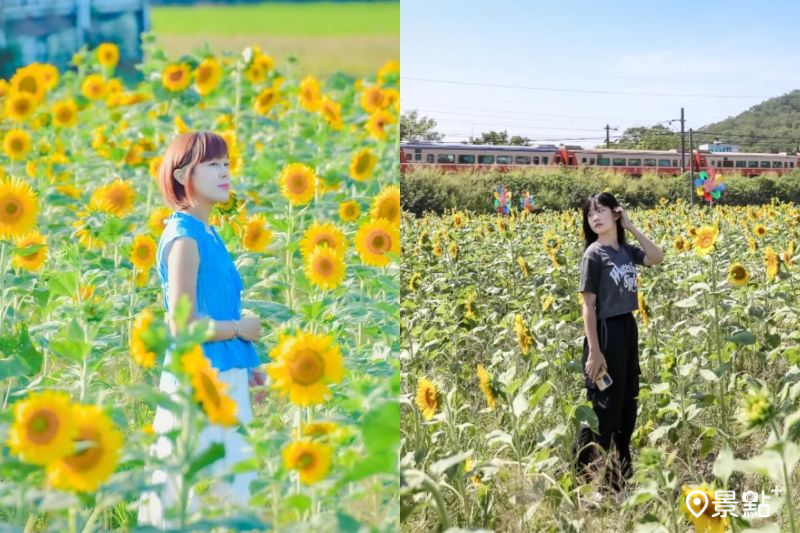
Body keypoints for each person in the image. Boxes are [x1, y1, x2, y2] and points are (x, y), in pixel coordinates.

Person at [138, 131, 266, 527]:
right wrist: (241, 330)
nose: (225, 172)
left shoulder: (209, 234)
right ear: (181, 175)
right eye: (212, 165)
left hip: (225, 373)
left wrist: (251, 365)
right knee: (200, 490)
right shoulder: (184, 239)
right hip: (200, 379)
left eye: (227, 163)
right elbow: (182, 325)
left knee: (230, 486)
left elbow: (220, 305)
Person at [573, 192, 664, 492]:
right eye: (590, 214)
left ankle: (617, 482)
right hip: (605, 331)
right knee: (604, 409)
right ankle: (581, 478)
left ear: (615, 214)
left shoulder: (625, 250)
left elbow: (656, 256)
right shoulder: (593, 255)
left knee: (627, 405)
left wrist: (632, 226)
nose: (595, 218)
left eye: (601, 211)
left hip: (627, 328)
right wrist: (595, 352)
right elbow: (587, 305)